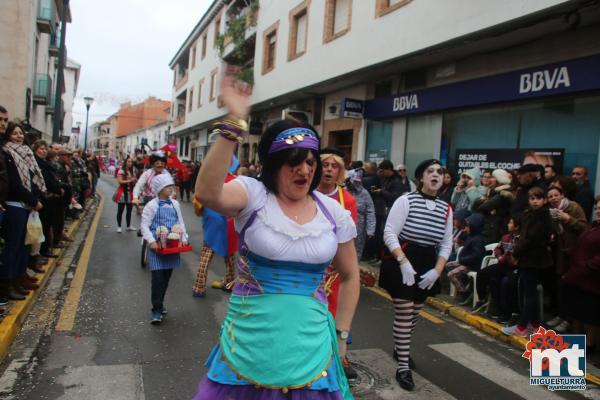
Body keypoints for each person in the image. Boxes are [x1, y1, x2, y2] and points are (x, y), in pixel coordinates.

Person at [192, 69, 359, 400]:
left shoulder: (333, 212)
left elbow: (351, 276)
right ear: (273, 165)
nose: (305, 170)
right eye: (293, 162)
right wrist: (233, 125)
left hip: (311, 345)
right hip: (250, 342)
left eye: (311, 162)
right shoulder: (253, 194)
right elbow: (208, 194)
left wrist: (341, 336)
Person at [380, 159, 452, 391]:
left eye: (439, 172)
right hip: (403, 257)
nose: (435, 175)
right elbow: (390, 232)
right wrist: (402, 261)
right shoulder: (406, 200)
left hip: (428, 262)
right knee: (404, 311)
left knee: (415, 314)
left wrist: (437, 270)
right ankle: (403, 366)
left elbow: (446, 243)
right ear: (421, 178)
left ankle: (400, 347)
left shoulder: (446, 208)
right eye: (430, 171)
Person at [317, 146, 358, 380]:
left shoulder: (347, 200)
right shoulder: (305, 192)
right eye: (325, 165)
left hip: (334, 268)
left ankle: (339, 355)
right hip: (310, 266)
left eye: (335, 166)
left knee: (336, 311)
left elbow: (349, 238)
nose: (329, 170)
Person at [0, 122, 46, 300]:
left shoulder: (24, 153)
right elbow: (15, 183)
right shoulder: (8, 153)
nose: (18, 136)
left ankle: (18, 278)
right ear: (8, 135)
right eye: (14, 133)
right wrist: (33, 200)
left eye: (20, 133)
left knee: (22, 245)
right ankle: (7, 282)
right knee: (12, 247)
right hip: (14, 204)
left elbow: (31, 179)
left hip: (26, 205)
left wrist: (36, 199)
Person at [502, 187, 554, 337]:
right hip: (528, 258)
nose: (535, 201)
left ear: (544, 200)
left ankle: (521, 327)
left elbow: (530, 238)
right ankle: (535, 324)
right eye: (532, 198)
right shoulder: (531, 214)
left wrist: (516, 253)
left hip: (534, 259)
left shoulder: (542, 217)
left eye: (538, 198)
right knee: (527, 291)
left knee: (529, 293)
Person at [140, 174, 188, 324]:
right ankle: (156, 309)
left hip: (172, 245)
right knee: (157, 279)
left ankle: (160, 303)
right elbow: (144, 225)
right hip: (157, 247)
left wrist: (184, 238)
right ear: (160, 189)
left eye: (171, 186)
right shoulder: (151, 205)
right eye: (168, 187)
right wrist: (151, 241)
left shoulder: (175, 204)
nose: (171, 188)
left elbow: (180, 222)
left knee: (166, 278)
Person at [192, 160, 239, 298]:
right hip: (229, 218)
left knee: (207, 252)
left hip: (212, 217)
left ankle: (199, 287)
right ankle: (229, 282)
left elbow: (198, 196)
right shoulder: (236, 181)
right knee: (230, 253)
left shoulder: (210, 179)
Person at [544, 185, 587, 332]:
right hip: (561, 252)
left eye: (556, 195)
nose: (553, 198)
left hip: (575, 252)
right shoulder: (552, 213)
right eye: (550, 197)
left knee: (570, 287)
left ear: (562, 195)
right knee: (559, 285)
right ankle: (561, 315)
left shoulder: (573, 207)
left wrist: (568, 219)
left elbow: (584, 228)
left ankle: (569, 319)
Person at [561, 196, 600, 353]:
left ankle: (589, 344)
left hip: (592, 280)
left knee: (591, 315)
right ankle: (577, 341)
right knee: (576, 311)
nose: (598, 210)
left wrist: (583, 268)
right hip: (578, 277)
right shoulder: (594, 226)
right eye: (597, 207)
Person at [480, 217, 520, 323]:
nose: (508, 224)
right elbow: (498, 248)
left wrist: (508, 256)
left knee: (506, 283)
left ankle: (508, 314)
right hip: (503, 265)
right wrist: (499, 256)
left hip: (515, 268)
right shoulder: (506, 237)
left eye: (511, 223)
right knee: (486, 275)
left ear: (517, 226)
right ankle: (483, 301)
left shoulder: (521, 240)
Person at [445, 213, 486, 304]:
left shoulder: (478, 239)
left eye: (467, 226)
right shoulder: (470, 236)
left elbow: (477, 255)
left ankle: (464, 292)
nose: (465, 228)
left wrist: (464, 259)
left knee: (451, 274)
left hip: (471, 265)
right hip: (465, 261)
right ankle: (464, 282)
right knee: (448, 265)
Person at [473, 168, 513, 244]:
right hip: (489, 229)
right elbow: (476, 206)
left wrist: (483, 203)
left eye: (493, 177)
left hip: (495, 231)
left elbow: (482, 208)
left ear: (499, 180)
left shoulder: (503, 194)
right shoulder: (492, 192)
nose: (490, 179)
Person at [346, 169, 375, 260]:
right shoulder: (343, 191)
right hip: (343, 227)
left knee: (356, 253)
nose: (356, 184)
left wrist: (370, 229)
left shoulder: (364, 193)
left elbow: (370, 210)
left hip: (359, 228)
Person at [115, 157, 137, 233]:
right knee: (120, 210)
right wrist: (130, 180)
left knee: (129, 210)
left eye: (131, 162)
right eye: (128, 161)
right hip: (122, 193)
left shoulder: (132, 171)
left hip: (130, 193)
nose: (130, 163)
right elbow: (120, 181)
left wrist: (134, 181)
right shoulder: (121, 170)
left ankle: (128, 226)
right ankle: (119, 226)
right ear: (125, 162)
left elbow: (133, 182)